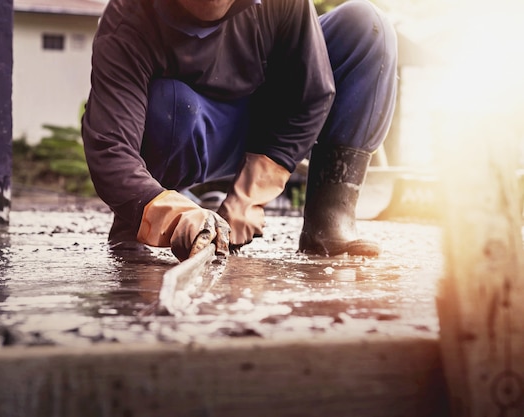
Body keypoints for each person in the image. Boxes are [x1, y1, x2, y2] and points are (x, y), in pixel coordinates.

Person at [82, 0, 398, 262]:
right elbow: (112, 148)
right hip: (192, 126)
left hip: (269, 117)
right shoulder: (128, 21)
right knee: (168, 104)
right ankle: (140, 217)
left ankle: (329, 220)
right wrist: (169, 214)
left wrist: (249, 195)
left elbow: (313, 92)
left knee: (367, 25)